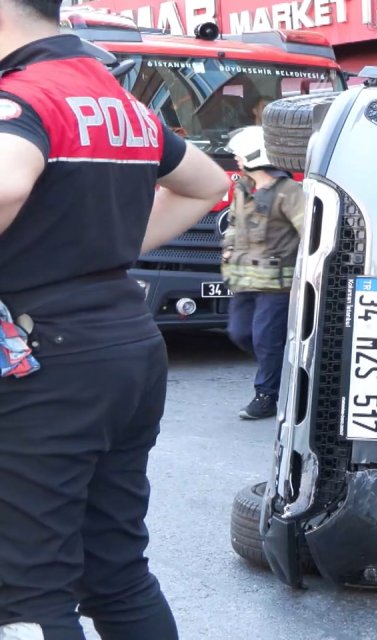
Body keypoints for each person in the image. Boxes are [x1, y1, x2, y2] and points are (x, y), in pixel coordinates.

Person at [0, 1, 230, 637]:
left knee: (29, 583)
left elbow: (7, 184)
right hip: (125, 344)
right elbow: (206, 183)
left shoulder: (24, 97)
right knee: (116, 571)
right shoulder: (115, 98)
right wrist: (115, 247)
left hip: (46, 356)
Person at [222, 126, 305, 420]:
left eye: (239, 153)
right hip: (244, 279)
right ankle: (284, 372)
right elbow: (233, 225)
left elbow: (309, 231)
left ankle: (267, 395)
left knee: (266, 340)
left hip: (275, 284)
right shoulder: (243, 188)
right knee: (241, 333)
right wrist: (229, 247)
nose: (235, 158)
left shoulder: (289, 192)